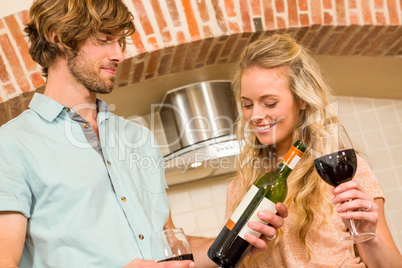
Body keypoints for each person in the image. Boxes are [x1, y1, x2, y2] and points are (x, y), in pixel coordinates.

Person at [0, 0, 288, 267]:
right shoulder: (12, 145)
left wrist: (235, 241)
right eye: (104, 39)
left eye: (120, 41)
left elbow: (168, 246)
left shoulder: (139, 138)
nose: (119, 54)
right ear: (57, 37)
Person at [225, 33, 402, 267]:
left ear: (302, 99)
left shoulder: (341, 171)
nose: (255, 115)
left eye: (269, 103)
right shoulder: (241, 186)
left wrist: (370, 239)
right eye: (247, 104)